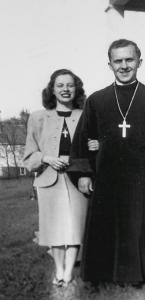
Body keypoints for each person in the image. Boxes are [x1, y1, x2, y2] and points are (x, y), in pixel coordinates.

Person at [70, 39, 145, 287]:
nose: (124, 65)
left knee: (134, 226)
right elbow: (82, 138)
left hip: (138, 174)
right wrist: (83, 173)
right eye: (118, 61)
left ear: (139, 61)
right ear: (110, 64)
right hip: (105, 173)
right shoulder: (97, 100)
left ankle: (131, 277)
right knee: (103, 224)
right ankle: (99, 276)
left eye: (129, 59)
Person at [23, 69, 98, 287]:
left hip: (79, 180)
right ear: (52, 90)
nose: (65, 89)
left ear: (76, 89)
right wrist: (47, 158)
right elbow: (28, 155)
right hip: (49, 180)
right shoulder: (38, 118)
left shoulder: (86, 115)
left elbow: (93, 147)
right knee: (53, 228)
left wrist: (95, 146)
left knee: (76, 226)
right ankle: (58, 270)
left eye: (70, 85)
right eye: (60, 85)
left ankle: (68, 272)